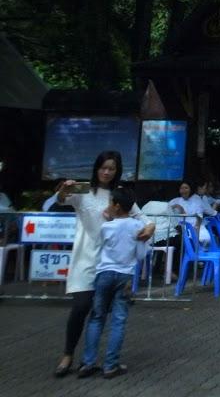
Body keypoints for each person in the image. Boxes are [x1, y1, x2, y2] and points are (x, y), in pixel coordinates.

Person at [53, 151, 154, 379]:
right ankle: (68, 354)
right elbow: (60, 200)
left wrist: (149, 229)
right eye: (103, 167)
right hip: (85, 259)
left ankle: (90, 361)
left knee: (100, 314)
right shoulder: (83, 191)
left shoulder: (119, 195)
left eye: (112, 169)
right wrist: (63, 190)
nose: (107, 172)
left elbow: (144, 219)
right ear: (96, 168)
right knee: (80, 307)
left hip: (109, 264)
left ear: (117, 172)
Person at [77, 187, 151, 380]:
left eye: (110, 203)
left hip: (104, 274)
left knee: (96, 317)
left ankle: (88, 362)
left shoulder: (106, 227)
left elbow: (100, 247)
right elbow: (142, 254)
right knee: (118, 320)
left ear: (117, 206)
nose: (108, 206)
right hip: (125, 275)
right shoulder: (137, 226)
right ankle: (111, 365)